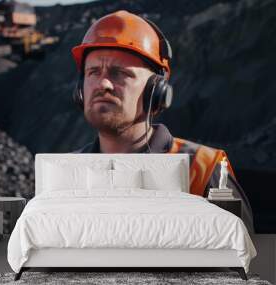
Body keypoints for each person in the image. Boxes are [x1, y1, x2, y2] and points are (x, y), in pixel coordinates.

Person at [70, 10, 254, 233]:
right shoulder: (68, 171)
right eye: (93, 72)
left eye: (119, 73)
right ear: (80, 90)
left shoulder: (202, 168)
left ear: (156, 91)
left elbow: (241, 261)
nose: (104, 84)